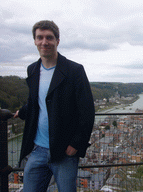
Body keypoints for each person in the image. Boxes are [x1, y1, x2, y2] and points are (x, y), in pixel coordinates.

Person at [14, 20, 95, 192]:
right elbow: (36, 101)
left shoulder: (74, 70)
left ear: (57, 41)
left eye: (49, 38)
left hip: (64, 151)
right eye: (40, 37)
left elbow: (87, 111)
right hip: (38, 149)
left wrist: (76, 144)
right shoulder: (33, 69)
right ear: (34, 41)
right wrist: (22, 112)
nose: (45, 42)